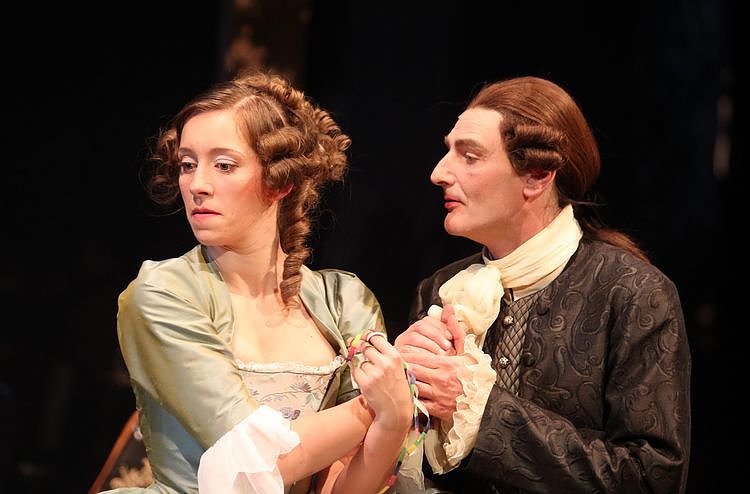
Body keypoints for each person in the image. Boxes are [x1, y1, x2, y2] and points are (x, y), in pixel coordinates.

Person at [104, 68, 414, 494]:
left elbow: (340, 484)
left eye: (224, 165)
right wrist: (384, 405)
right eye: (188, 165)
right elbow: (253, 465)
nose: (197, 185)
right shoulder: (163, 294)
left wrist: (393, 420)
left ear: (281, 180)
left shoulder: (343, 301)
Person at [393, 76, 691, 493]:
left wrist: (478, 410)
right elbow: (409, 468)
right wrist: (397, 388)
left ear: (537, 175)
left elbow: (650, 478)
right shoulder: (440, 289)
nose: (438, 173)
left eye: (470, 156)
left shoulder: (631, 293)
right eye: (448, 152)